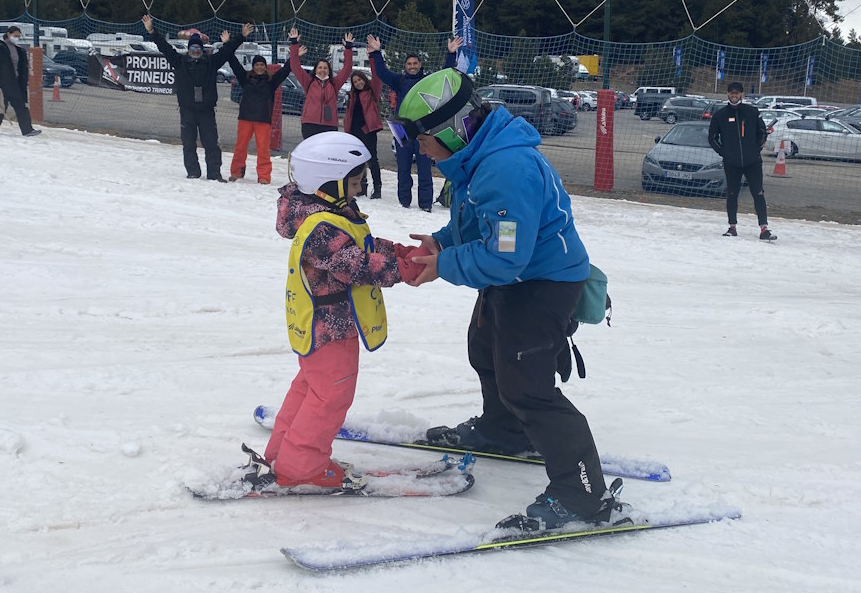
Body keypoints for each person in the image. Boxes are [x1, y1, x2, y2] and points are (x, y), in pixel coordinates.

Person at [396, 68, 628, 531]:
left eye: (418, 136)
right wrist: (442, 244)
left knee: (528, 384)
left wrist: (443, 266)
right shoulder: (477, 157)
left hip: (542, 282)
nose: (414, 146)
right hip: (517, 274)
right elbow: (478, 225)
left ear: (453, 129)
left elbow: (506, 258)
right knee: (484, 348)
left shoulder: (506, 167)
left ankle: (582, 494)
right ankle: (504, 431)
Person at [262, 132, 422, 488]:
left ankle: (282, 454)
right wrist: (403, 269)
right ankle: (301, 467)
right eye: (353, 181)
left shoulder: (323, 212)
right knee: (331, 395)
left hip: (323, 325)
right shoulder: (319, 228)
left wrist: (396, 251)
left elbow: (358, 242)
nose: (359, 187)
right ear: (326, 183)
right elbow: (355, 263)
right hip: (331, 326)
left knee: (309, 388)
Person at [366, 34, 460, 211]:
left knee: (425, 170)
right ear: (405, 67)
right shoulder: (399, 81)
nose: (412, 66)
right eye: (409, 64)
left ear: (420, 65)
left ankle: (425, 204)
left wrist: (451, 54)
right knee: (403, 169)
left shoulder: (428, 81)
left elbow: (444, 74)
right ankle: (404, 202)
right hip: (402, 130)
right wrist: (377, 53)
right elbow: (382, 73)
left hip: (424, 131)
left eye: (415, 63)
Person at [143, 13, 238, 181]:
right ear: (189, 49)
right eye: (193, 48)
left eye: (198, 48)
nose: (195, 50)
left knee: (211, 144)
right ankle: (193, 172)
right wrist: (152, 32)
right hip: (187, 111)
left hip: (206, 111)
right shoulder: (180, 62)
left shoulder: (211, 63)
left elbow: (227, 52)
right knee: (188, 144)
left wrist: (239, 38)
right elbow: (164, 47)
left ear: (202, 49)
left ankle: (214, 174)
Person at [708, 81, 775, 240]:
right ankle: (732, 227)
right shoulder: (720, 115)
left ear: (742, 95)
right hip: (732, 163)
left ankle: (764, 229)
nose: (734, 95)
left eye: (737, 93)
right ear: (727, 94)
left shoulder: (752, 112)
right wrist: (724, 153)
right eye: (731, 92)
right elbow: (712, 138)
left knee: (758, 193)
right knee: (732, 194)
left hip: (753, 162)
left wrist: (756, 149)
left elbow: (762, 133)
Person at [229, 24, 293, 183]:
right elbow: (232, 61)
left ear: (265, 67)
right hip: (245, 118)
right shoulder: (245, 78)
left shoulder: (271, 82)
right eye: (257, 65)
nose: (259, 67)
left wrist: (295, 56)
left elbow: (285, 70)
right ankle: (236, 172)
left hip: (263, 120)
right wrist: (229, 42)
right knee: (240, 148)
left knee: (263, 150)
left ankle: (264, 176)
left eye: (262, 65)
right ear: (253, 66)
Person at [288, 27, 353, 138]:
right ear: (315, 69)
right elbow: (295, 66)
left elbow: (347, 69)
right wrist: (294, 44)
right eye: (320, 68)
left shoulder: (334, 84)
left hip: (329, 125)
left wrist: (348, 48)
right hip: (310, 124)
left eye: (325, 68)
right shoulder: (308, 82)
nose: (322, 70)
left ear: (329, 70)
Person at [0, 25, 41, 137]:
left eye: (18, 36)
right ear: (8, 34)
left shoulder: (18, 50)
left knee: (21, 106)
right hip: (3, 82)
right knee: (1, 107)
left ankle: (27, 130)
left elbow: (21, 67)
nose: (17, 38)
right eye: (15, 35)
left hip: (15, 83)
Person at [342, 68, 384, 198]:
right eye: (355, 81)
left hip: (368, 131)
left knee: (372, 160)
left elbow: (377, 77)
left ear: (364, 79)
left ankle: (377, 187)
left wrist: (373, 56)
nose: (358, 83)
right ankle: (361, 186)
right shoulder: (352, 96)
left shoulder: (372, 92)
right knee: (358, 161)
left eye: (359, 80)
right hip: (354, 132)